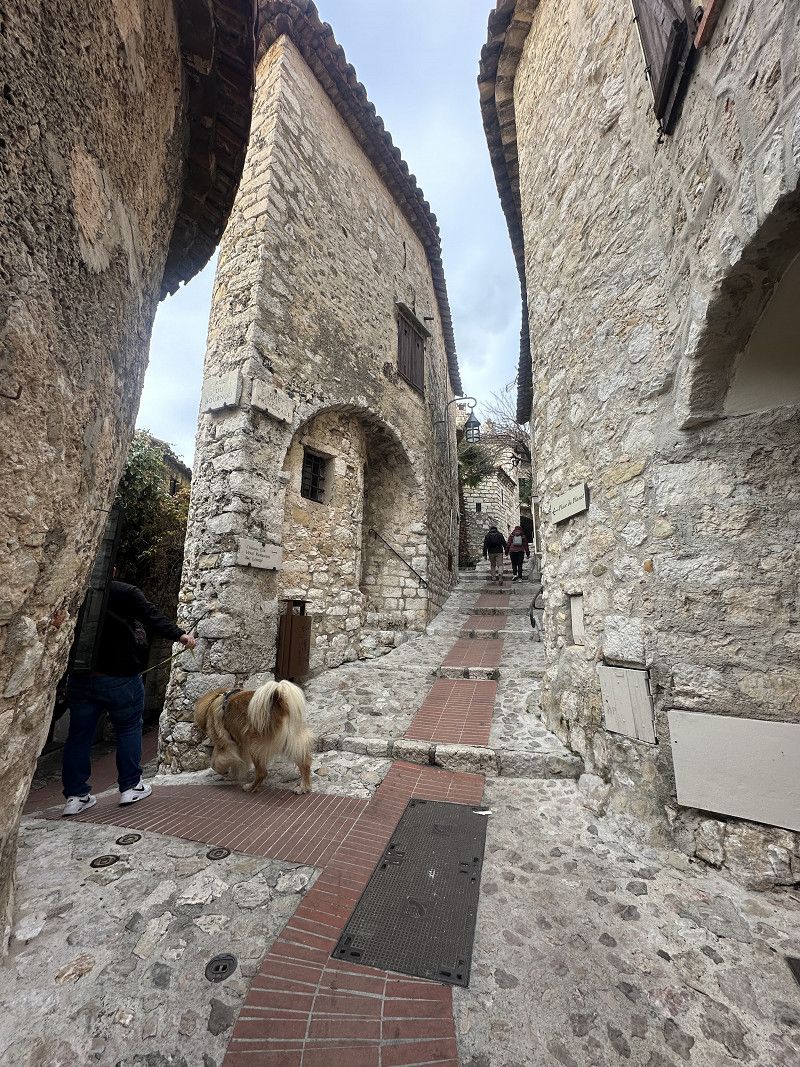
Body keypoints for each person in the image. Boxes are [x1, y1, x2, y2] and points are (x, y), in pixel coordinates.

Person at [62, 579, 196, 816]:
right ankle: (131, 786)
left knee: (78, 736)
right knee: (129, 728)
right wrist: (181, 636)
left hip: (81, 677)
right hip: (120, 677)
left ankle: (75, 796)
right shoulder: (125, 592)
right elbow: (152, 617)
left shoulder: (72, 591)